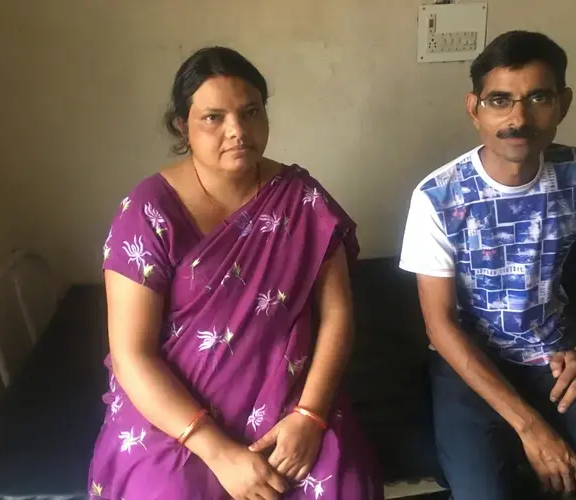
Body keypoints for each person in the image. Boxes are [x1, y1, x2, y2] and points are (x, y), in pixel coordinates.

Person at [88, 46, 382, 500]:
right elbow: (131, 355)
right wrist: (218, 451)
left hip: (289, 399)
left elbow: (338, 316)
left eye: (251, 112)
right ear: (181, 126)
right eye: (213, 117)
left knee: (343, 486)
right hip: (175, 414)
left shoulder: (302, 199)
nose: (237, 131)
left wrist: (310, 416)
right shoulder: (149, 211)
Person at [400, 30, 576, 500]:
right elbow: (440, 326)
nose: (518, 118)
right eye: (500, 101)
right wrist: (531, 428)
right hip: (470, 367)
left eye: (537, 97)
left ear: (563, 103)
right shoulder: (438, 196)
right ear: (474, 108)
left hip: (556, 356)